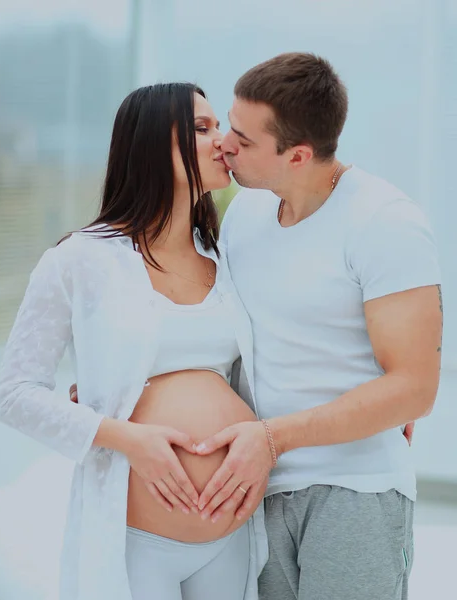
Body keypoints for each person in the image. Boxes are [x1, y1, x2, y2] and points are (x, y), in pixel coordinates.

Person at [0, 83, 270, 600]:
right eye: (202, 127)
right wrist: (127, 437)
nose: (223, 142)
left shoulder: (227, 258)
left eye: (220, 127)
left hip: (230, 534)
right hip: (136, 538)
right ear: (148, 143)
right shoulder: (80, 259)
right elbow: (15, 395)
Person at [189, 53, 443, 600]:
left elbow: (415, 387)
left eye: (245, 139)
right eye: (230, 123)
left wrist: (274, 438)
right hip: (258, 491)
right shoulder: (245, 216)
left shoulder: (384, 222)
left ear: (298, 155)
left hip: (355, 491)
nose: (226, 143)